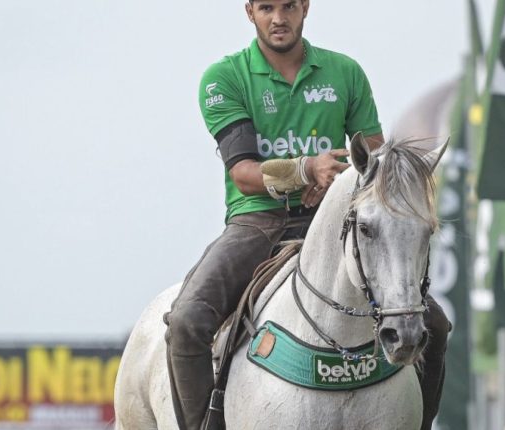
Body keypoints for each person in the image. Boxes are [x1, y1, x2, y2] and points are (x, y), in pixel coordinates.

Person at [164, 1, 450, 429]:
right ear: (250, 12)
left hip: (335, 219)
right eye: (267, 7)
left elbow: (374, 163)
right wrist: (306, 169)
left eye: (288, 6)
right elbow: (243, 173)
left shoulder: (345, 72)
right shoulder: (223, 78)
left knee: (436, 325)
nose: (278, 18)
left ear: (305, 8)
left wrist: (365, 176)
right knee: (187, 322)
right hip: (257, 220)